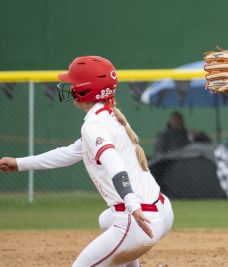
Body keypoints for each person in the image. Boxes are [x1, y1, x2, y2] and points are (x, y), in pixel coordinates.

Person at [0, 56, 174, 267]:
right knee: (105, 220)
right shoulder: (109, 116)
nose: (70, 87)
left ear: (86, 89)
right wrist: (19, 163)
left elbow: (115, 166)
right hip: (161, 212)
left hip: (140, 220)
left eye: (73, 84)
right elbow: (69, 153)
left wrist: (132, 202)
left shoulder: (93, 125)